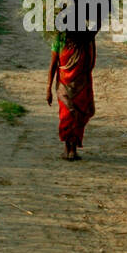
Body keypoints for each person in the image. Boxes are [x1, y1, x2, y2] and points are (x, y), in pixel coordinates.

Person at [46, 26, 97, 161]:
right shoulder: (86, 38)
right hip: (80, 85)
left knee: (67, 116)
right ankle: (71, 149)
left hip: (65, 86)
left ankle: (69, 149)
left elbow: (53, 65)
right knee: (76, 115)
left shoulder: (61, 38)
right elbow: (91, 63)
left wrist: (49, 88)